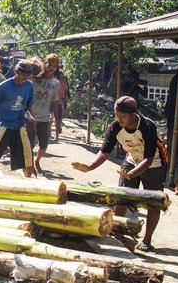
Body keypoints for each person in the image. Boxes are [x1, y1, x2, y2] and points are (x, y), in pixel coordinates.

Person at [72, 96, 167, 252]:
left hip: (155, 163)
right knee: (121, 198)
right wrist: (90, 166)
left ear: (134, 114)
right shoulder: (115, 127)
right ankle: (117, 231)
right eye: (117, 115)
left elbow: (149, 159)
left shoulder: (148, 127)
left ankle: (147, 239)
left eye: (123, 116)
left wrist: (132, 174)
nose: (119, 119)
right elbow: (105, 151)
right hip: (132, 159)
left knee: (153, 202)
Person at [0, 60, 36, 177]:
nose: (24, 77)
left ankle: (28, 184)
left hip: (19, 126)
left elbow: (29, 103)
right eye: (22, 73)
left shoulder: (29, 86)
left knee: (27, 159)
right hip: (4, 125)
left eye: (27, 74)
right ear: (16, 71)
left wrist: (32, 116)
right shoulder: (4, 86)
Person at [27, 56, 61, 175]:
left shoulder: (56, 83)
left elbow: (55, 103)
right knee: (30, 143)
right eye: (49, 64)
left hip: (45, 117)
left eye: (54, 65)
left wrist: (58, 122)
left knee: (44, 144)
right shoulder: (34, 78)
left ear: (57, 67)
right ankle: (30, 164)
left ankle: (37, 161)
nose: (51, 67)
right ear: (44, 64)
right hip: (29, 117)